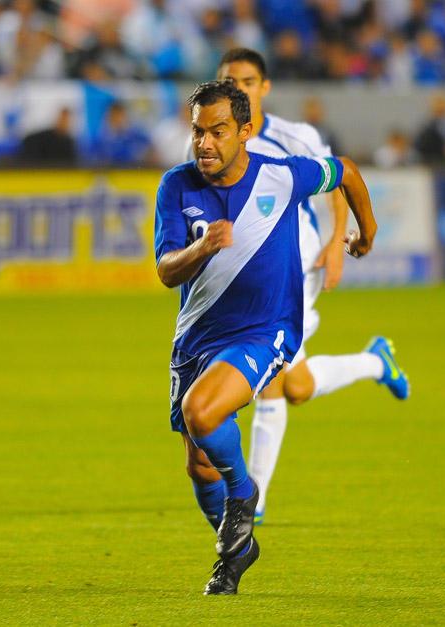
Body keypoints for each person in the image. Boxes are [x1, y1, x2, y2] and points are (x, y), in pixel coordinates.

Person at [157, 79, 378, 595]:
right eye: (197, 132)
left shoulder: (280, 177)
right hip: (197, 337)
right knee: (197, 462)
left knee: (202, 411)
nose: (205, 143)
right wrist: (202, 250)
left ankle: (244, 494)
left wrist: (366, 233)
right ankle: (234, 553)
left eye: (217, 131)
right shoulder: (177, 185)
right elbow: (167, 271)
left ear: (245, 132)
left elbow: (345, 170)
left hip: (266, 329)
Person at [211, 48, 410, 526]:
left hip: (296, 267)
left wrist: (335, 243)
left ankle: (252, 501)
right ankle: (373, 361)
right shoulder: (210, 142)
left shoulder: (292, 136)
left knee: (271, 383)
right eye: (230, 80)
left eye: (248, 80)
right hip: (246, 274)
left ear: (265, 87)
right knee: (294, 386)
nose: (239, 88)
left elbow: (337, 180)